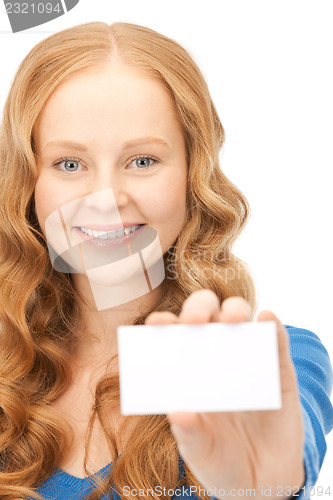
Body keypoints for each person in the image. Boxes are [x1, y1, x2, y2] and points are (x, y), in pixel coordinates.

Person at [0, 21, 331, 500]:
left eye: (143, 160)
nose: (105, 198)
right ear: (29, 185)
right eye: (69, 164)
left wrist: (269, 488)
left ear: (192, 174)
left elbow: (280, 456)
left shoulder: (275, 359)